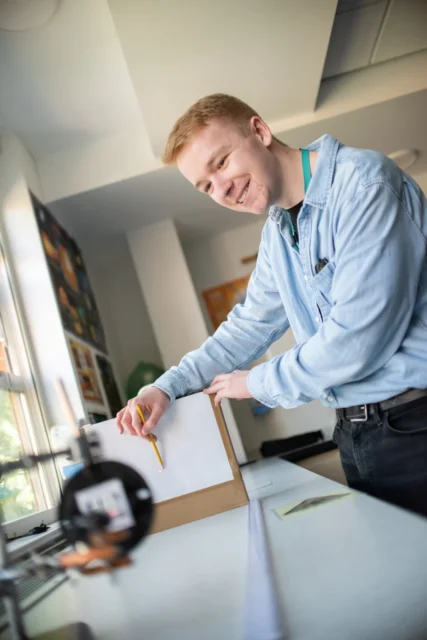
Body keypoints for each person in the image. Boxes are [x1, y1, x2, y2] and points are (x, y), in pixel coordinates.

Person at [116, 93, 427, 517]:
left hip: (414, 423)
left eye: (221, 162)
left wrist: (255, 383)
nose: (221, 189)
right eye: (206, 186)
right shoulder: (278, 235)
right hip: (356, 432)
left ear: (260, 131)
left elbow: (356, 342)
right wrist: (165, 387)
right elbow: (246, 328)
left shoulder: (364, 185)